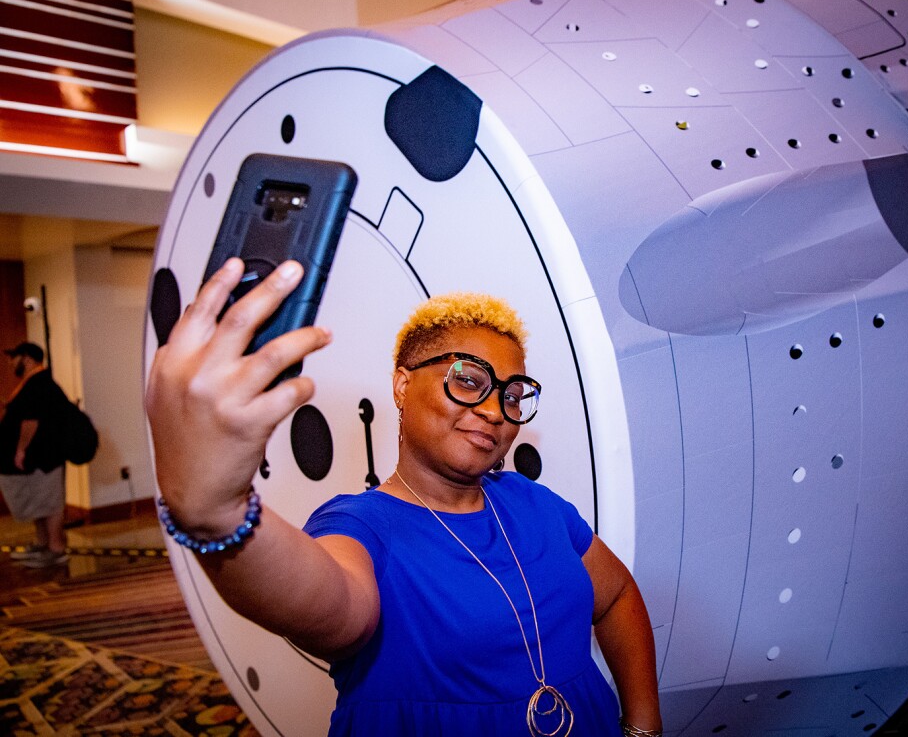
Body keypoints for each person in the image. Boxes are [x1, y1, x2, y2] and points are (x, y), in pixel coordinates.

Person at [145, 258, 663, 737]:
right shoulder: (361, 524)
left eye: (510, 395)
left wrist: (643, 726)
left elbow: (617, 596)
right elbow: (332, 608)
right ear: (401, 384)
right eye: (467, 380)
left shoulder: (535, 505)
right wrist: (216, 514)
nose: (494, 411)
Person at [0, 342, 69, 568]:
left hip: (43, 457)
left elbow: (31, 420)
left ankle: (56, 549)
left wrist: (20, 450)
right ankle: (43, 544)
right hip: (38, 458)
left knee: (48, 502)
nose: (11, 362)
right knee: (39, 502)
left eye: (14, 357)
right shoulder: (33, 383)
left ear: (27, 358)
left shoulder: (39, 384)